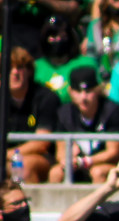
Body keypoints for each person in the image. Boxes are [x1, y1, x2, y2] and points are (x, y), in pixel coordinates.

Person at [49, 67, 119, 184]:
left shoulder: (112, 110)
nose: (84, 97)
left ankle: (100, 203)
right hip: (77, 165)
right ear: (70, 91)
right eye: (78, 91)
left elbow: (114, 152)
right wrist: (66, 159)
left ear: (98, 90)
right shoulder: (64, 113)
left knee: (97, 172)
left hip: (103, 165)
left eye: (88, 91)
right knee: (55, 173)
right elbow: (60, 150)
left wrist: (86, 161)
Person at [6, 47, 58, 184]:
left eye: (20, 67)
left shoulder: (46, 97)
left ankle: (25, 205)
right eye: (9, 68)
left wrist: (7, 155)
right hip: (6, 158)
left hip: (41, 158)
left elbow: (41, 143)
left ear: (29, 71)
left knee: (23, 166)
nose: (15, 73)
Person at [35, 14, 99, 104]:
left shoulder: (86, 64)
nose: (58, 40)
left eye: (62, 36)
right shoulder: (36, 67)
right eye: (53, 36)